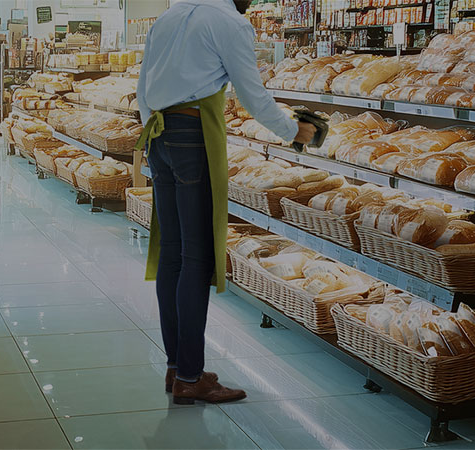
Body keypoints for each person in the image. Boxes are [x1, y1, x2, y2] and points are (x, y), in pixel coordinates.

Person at [135, 0, 316, 405]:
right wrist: (293, 130)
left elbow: (142, 86)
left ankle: (176, 367)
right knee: (197, 258)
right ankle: (190, 376)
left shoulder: (167, 16)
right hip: (193, 134)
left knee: (173, 254)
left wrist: (151, 136)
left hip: (159, 134)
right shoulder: (230, 22)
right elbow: (252, 94)